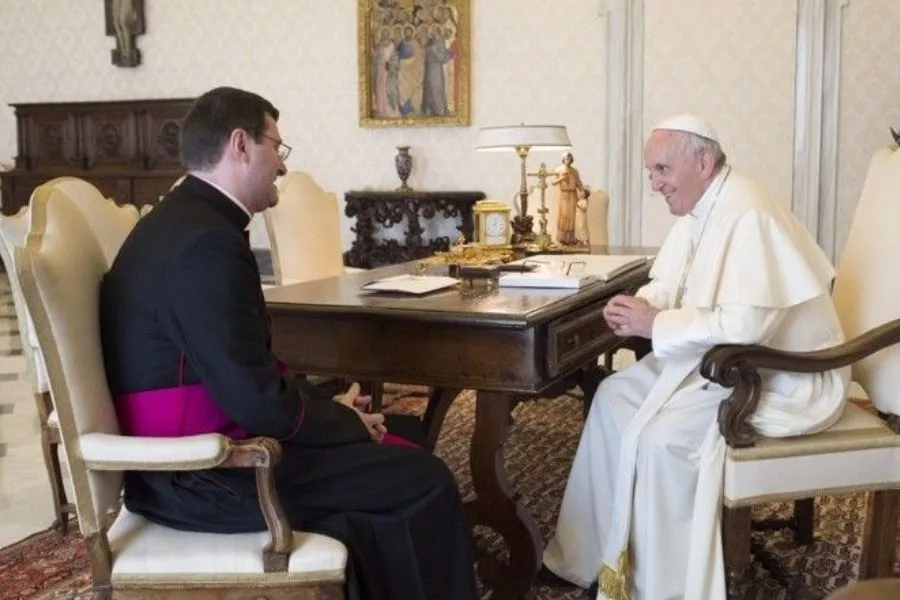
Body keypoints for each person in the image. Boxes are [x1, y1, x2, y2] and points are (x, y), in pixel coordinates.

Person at [100, 86, 477, 600]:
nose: (281, 164)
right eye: (277, 146)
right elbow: (252, 397)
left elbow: (244, 375)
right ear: (240, 144)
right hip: (204, 474)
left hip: (208, 454)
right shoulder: (204, 243)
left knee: (400, 438)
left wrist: (332, 411)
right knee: (423, 476)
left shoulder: (188, 223)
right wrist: (344, 423)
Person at [540, 115, 849, 600]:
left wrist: (655, 324)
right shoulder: (701, 206)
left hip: (781, 375)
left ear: (702, 161)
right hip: (726, 362)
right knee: (612, 398)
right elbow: (674, 281)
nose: (655, 183)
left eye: (661, 169)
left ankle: (663, 587)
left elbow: (748, 327)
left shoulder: (747, 212)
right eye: (651, 173)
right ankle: (587, 556)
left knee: (663, 440)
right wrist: (641, 304)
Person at [552, 151, 588, 245]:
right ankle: (561, 238)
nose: (568, 160)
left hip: (572, 195)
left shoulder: (574, 171)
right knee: (563, 215)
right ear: (563, 159)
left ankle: (570, 238)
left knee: (571, 217)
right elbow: (553, 182)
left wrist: (583, 190)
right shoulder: (558, 170)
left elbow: (579, 183)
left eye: (570, 158)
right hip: (564, 195)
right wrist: (561, 178)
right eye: (566, 158)